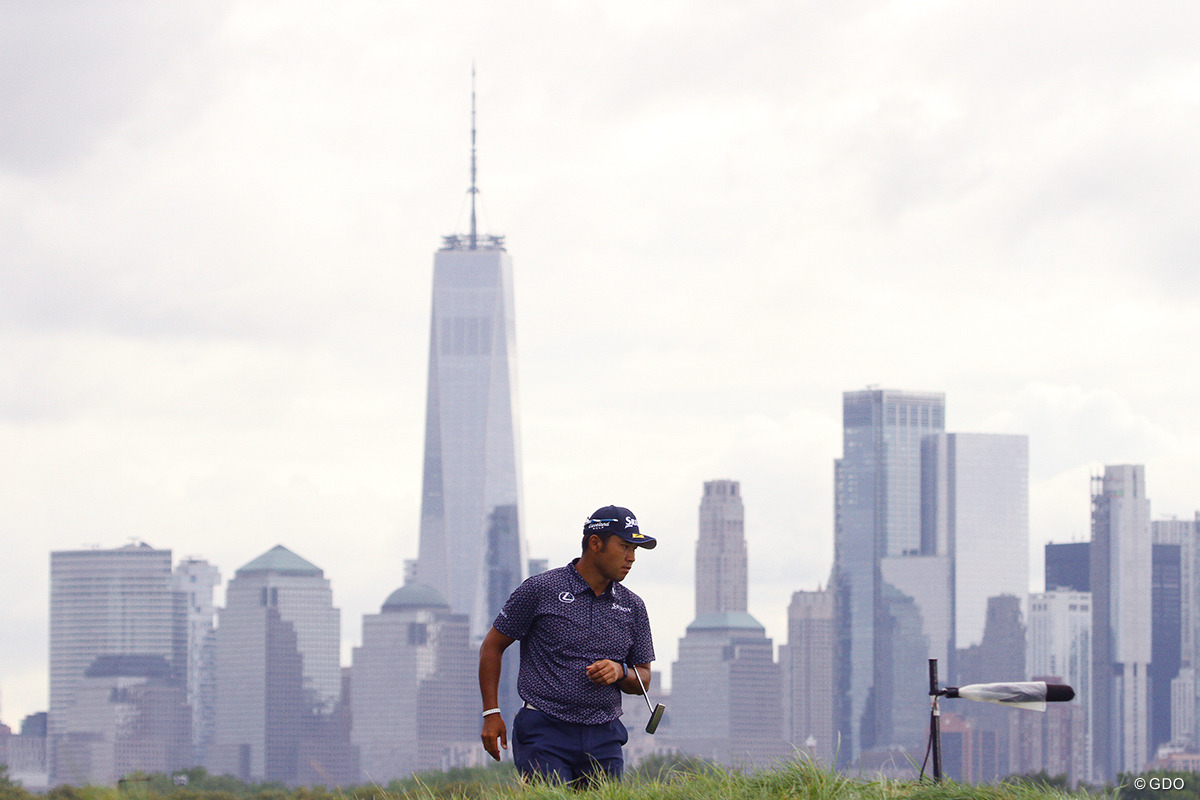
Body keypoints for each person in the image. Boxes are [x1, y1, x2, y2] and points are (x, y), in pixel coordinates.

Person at [479, 505, 656, 786]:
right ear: (595, 543)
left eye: (635, 549)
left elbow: (644, 677)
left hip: (604, 735)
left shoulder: (633, 606)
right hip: (544, 731)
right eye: (624, 546)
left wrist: (620, 672)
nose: (631, 558)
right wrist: (491, 713)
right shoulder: (540, 589)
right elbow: (492, 646)